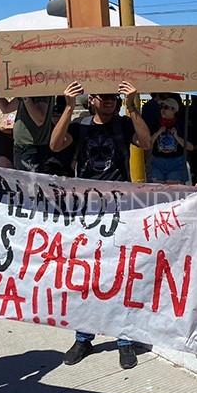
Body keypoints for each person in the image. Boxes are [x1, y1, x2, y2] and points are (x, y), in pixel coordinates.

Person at [50, 80, 152, 370]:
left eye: (112, 97)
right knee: (87, 276)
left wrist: (132, 106)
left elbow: (145, 143)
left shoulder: (123, 124)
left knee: (121, 274)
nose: (108, 101)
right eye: (103, 97)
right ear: (91, 99)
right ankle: (83, 336)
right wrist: (68, 106)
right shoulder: (80, 125)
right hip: (87, 212)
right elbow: (56, 145)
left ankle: (124, 338)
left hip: (119, 211)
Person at [0, 86, 51, 172]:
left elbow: (39, 119)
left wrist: (25, 97)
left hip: (32, 147)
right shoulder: (27, 92)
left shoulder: (42, 91)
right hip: (20, 146)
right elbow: (6, 108)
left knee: (30, 183)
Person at [149, 97, 193, 184]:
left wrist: (176, 137)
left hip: (176, 162)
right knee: (157, 190)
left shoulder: (181, 125)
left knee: (172, 190)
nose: (162, 110)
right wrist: (157, 133)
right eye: (161, 107)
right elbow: (148, 144)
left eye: (166, 107)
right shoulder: (156, 123)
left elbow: (190, 147)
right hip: (158, 161)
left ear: (174, 110)